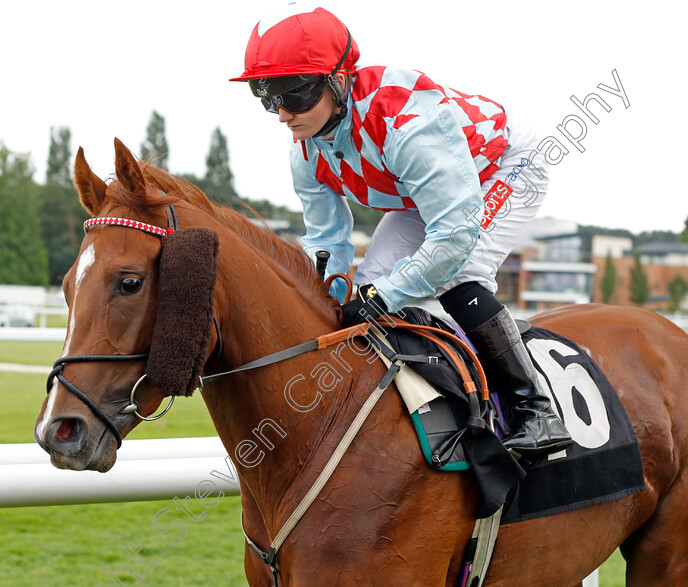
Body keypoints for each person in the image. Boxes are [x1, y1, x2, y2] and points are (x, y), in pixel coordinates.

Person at [230, 6, 571, 455]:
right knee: (371, 283)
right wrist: (326, 300)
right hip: (424, 191)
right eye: (267, 96)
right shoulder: (306, 152)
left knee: (455, 270)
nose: (281, 114)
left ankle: (536, 409)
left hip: (505, 163)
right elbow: (327, 245)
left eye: (293, 95)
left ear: (338, 81)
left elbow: (453, 235)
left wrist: (383, 299)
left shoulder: (407, 123)